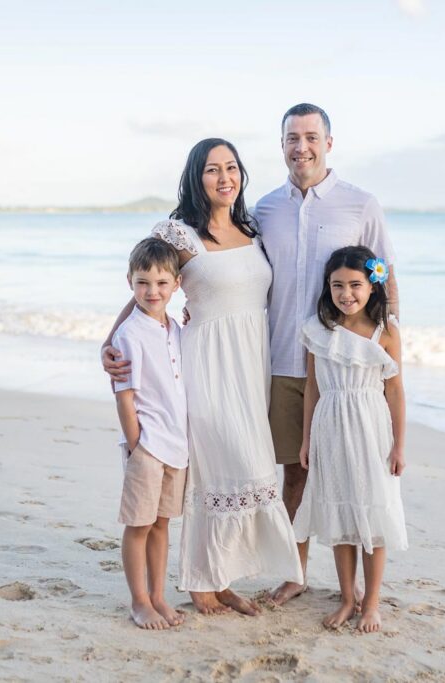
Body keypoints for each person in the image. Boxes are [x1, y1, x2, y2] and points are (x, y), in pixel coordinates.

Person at [102, 138, 304, 616]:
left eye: (231, 168)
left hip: (251, 364)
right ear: (196, 177)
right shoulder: (178, 234)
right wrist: (109, 344)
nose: (224, 178)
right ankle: (201, 583)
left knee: (249, 467)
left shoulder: (251, 230)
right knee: (215, 468)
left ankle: (220, 578)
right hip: (206, 365)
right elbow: (146, 292)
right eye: (212, 170)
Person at [254, 103, 400, 605]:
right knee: (293, 473)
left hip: (345, 375)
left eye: (311, 137)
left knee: (351, 474)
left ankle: (358, 588)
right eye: (292, 138)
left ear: (329, 143)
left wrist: (389, 348)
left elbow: (385, 279)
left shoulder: (361, 204)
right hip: (280, 362)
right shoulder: (264, 210)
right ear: (282, 146)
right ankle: (296, 573)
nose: (302, 147)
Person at [292, 246, 407, 633]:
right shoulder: (318, 329)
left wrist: (399, 445)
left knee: (372, 513)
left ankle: (371, 603)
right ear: (328, 288)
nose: (347, 293)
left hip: (371, 428)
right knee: (341, 513)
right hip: (331, 426)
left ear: (372, 286)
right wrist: (306, 440)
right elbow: (312, 386)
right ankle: (347, 597)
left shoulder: (386, 332)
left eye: (355, 285)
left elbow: (395, 391)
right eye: (337, 285)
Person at [111, 237, 188, 630]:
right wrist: (137, 443)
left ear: (176, 284)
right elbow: (124, 395)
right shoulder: (129, 334)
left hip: (177, 445)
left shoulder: (177, 329)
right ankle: (139, 601)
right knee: (139, 524)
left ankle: (159, 595)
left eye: (161, 283)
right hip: (148, 445)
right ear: (130, 282)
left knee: (162, 523)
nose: (152, 291)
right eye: (143, 282)